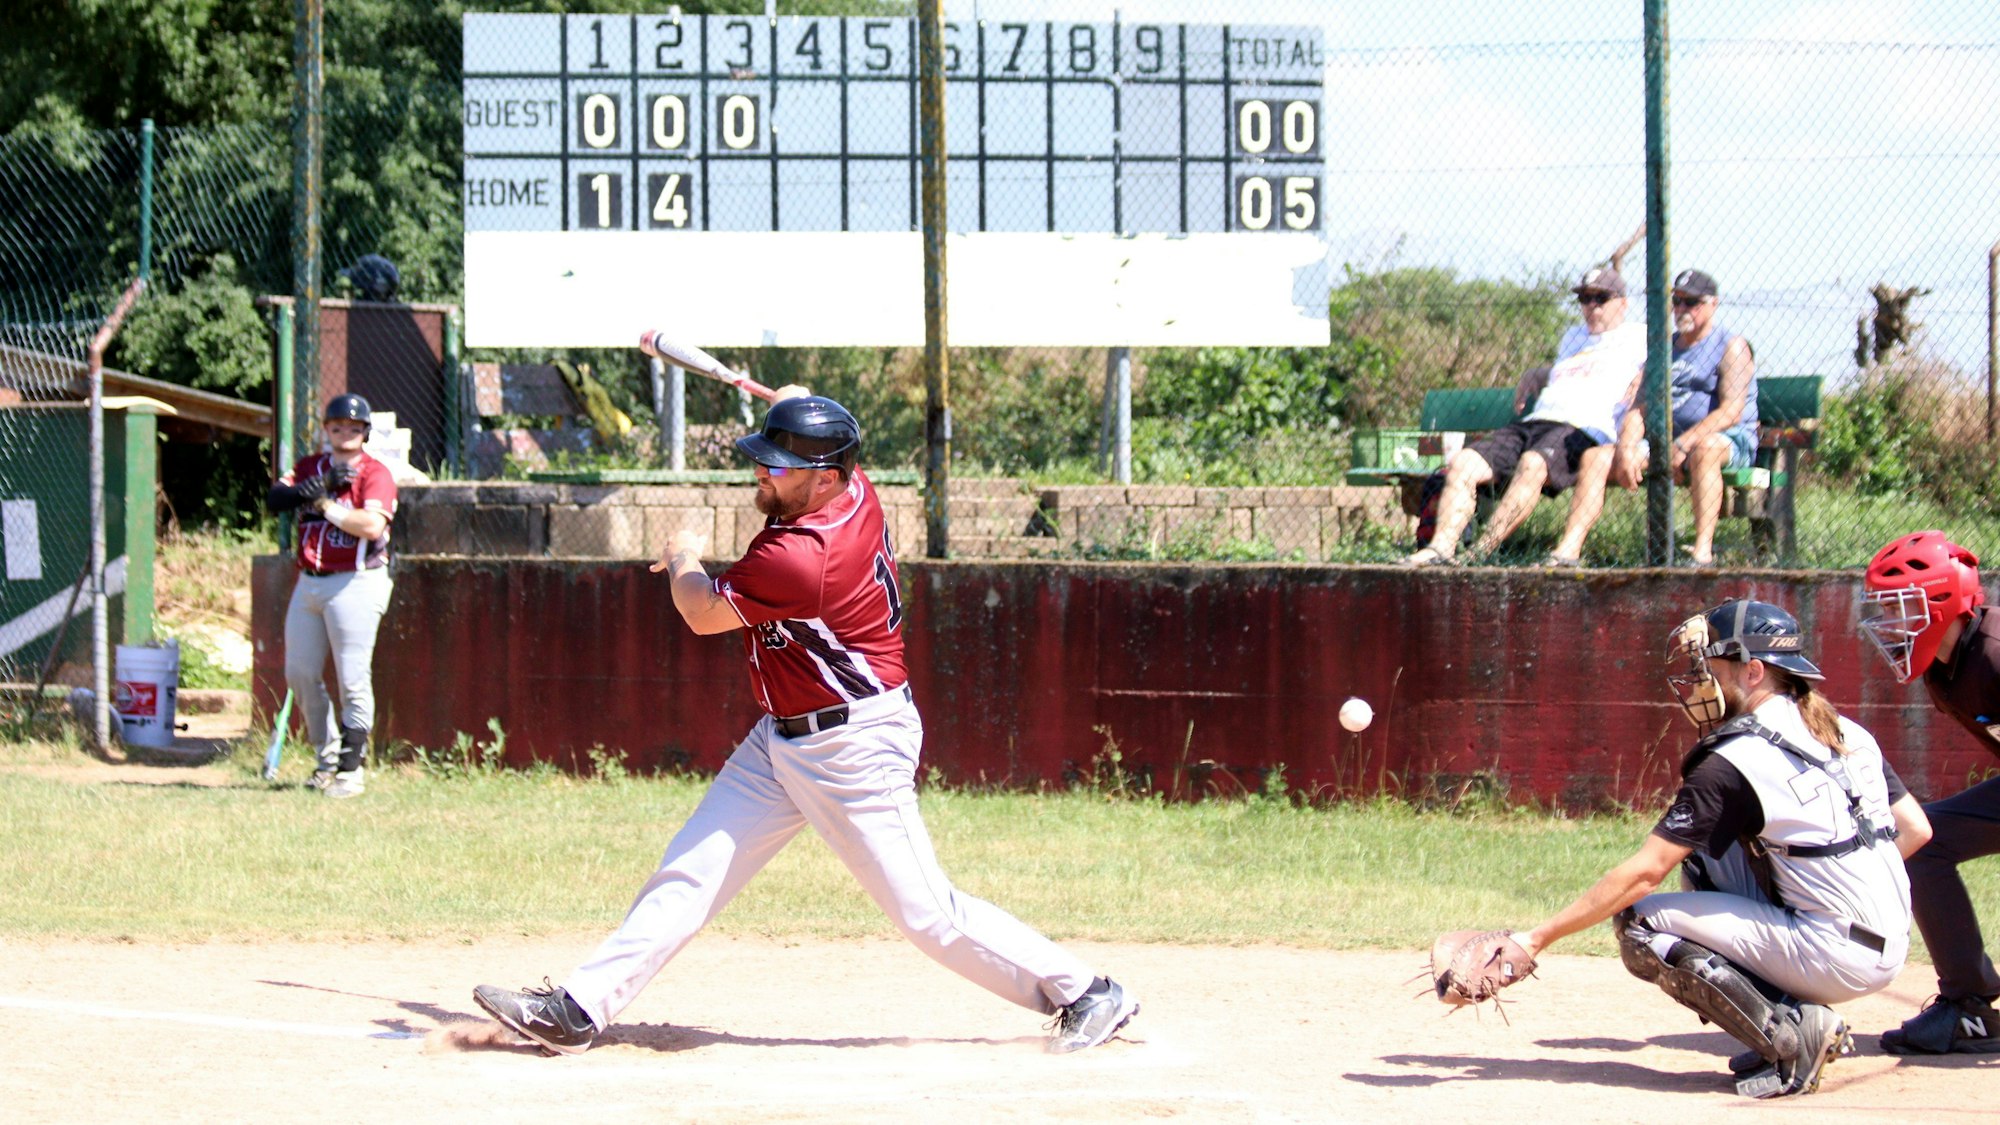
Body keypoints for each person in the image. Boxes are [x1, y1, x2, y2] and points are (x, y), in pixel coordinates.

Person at [472, 391, 1139, 1056]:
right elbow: (804, 413)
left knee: (928, 912)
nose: (764, 475)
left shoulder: (802, 555)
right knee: (692, 868)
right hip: (781, 736)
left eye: (781, 467)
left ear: (825, 476)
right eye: (764, 461)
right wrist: (793, 411)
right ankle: (579, 1008)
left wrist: (682, 555)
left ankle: (1087, 990)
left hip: (854, 746)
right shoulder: (853, 485)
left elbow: (702, 612)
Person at [1505, 599, 1929, 1098]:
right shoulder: (1844, 728)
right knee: (1709, 855)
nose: (1700, 677)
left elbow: (1647, 873)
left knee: (1641, 923)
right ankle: (1797, 1003)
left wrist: (1535, 938)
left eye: (1711, 665)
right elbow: (1917, 830)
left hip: (1833, 952)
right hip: (1891, 940)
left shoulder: (1735, 758)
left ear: (1753, 672)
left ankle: (1790, 1033)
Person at [1858, 530, 2000, 1054]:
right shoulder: (1944, 668)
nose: (1890, 624)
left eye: (1900, 607)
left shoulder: (1994, 654)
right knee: (1924, 840)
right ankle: (1969, 1007)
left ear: (1942, 602)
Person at [1401, 266, 1644, 566]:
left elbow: (1673, 365)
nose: (1590, 306)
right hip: (1535, 423)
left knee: (1533, 464)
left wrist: (1646, 376)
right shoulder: (1573, 336)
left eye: (1600, 298)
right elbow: (1575, 370)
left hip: (1581, 430)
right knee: (1463, 463)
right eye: (1584, 298)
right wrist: (1537, 374)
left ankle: (1478, 554)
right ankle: (1440, 550)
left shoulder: (1638, 336)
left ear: (1623, 302)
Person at [1549, 269, 1758, 567]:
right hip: (1668, 442)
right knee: (1597, 458)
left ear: (1713, 304)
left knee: (1705, 450)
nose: (1682, 309)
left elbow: (1731, 411)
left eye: (1692, 302)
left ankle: (1702, 554)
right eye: (1678, 301)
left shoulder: (1730, 346)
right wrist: (1626, 448)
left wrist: (1685, 444)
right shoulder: (1663, 350)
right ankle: (1567, 551)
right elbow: (1639, 408)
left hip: (1727, 441)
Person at [266, 393, 398, 799]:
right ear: (327, 429)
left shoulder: (376, 473)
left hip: (356, 581)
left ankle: (350, 770)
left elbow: (371, 526)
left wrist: (323, 504)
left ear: (365, 433)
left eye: (355, 428)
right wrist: (319, 486)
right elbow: (275, 499)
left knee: (352, 678)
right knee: (300, 673)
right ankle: (326, 759)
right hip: (309, 581)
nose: (346, 433)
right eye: (338, 426)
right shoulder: (312, 467)